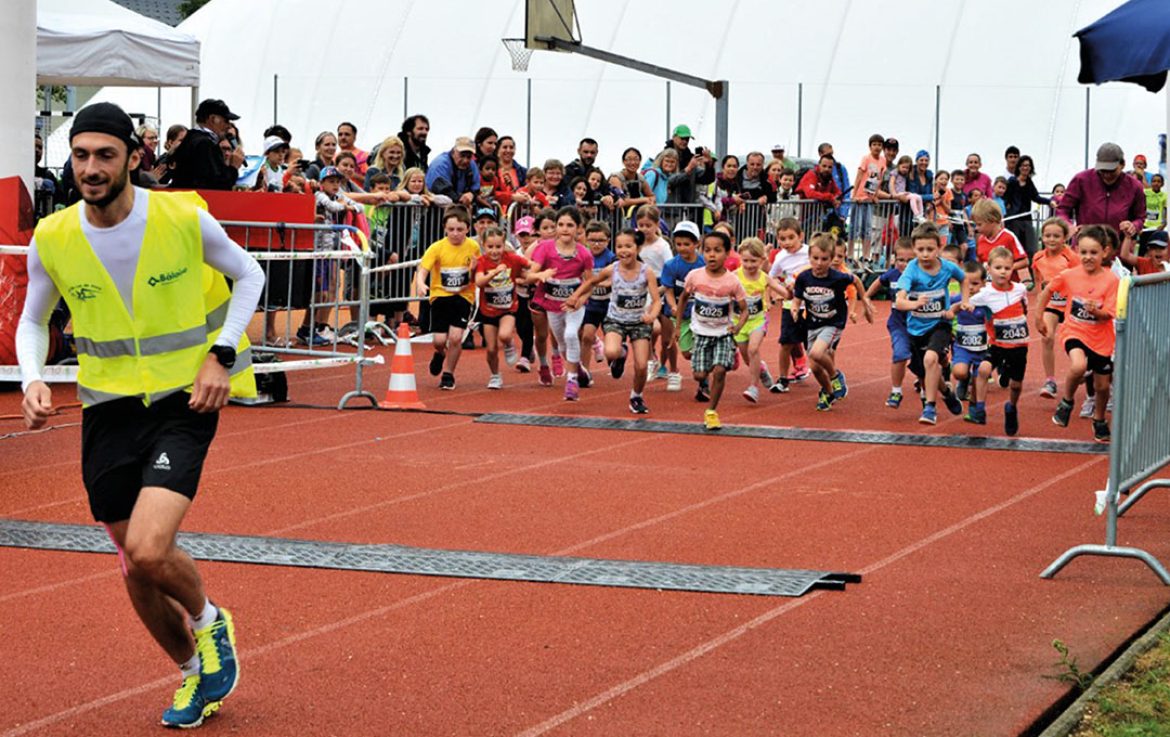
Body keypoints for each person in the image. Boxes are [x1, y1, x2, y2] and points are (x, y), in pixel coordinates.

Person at [18, 102, 263, 728]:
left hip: (184, 399)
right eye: (80, 156)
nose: (91, 168)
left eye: (104, 154)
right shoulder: (54, 236)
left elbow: (250, 274)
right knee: (133, 564)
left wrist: (221, 357)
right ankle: (193, 676)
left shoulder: (181, 215)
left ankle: (212, 623)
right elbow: (32, 319)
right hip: (106, 408)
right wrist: (34, 378)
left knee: (152, 550)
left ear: (133, 157)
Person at [1035, 224, 1119, 443]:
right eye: (1083, 252)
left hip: (1101, 339)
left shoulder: (1111, 280)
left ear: (1105, 252)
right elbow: (1047, 291)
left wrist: (1096, 311)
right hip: (1075, 331)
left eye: (1093, 253)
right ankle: (1067, 401)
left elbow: (1109, 314)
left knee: (1102, 386)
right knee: (1078, 365)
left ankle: (1099, 419)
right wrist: (1038, 316)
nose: (1088, 257)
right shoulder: (1070, 275)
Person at [578, 228, 662, 414]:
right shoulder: (612, 269)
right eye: (620, 246)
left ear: (638, 248)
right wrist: (575, 297)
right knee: (611, 351)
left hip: (639, 322)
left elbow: (656, 300)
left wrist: (652, 315)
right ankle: (621, 354)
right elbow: (591, 282)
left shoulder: (646, 272)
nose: (624, 251)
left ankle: (636, 396)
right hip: (616, 320)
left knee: (641, 366)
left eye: (628, 246)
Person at [675, 230, 749, 431]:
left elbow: (744, 310)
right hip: (701, 332)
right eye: (707, 250)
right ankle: (710, 372)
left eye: (717, 251)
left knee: (719, 371)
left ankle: (712, 411)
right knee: (699, 374)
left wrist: (739, 326)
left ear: (727, 254)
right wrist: (677, 325)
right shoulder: (695, 276)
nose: (712, 255)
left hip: (723, 334)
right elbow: (682, 299)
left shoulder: (732, 281)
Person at [894, 222, 967, 426]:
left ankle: (930, 407)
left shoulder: (947, 267)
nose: (925, 254)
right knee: (926, 371)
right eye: (920, 250)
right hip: (916, 329)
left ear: (939, 248)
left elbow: (964, 279)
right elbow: (899, 301)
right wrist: (913, 303)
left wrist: (963, 302)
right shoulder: (911, 270)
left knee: (931, 359)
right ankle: (946, 392)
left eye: (930, 249)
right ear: (914, 249)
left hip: (940, 323)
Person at [791, 234, 873, 411]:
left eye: (824, 259)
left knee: (817, 353)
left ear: (831, 259)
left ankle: (836, 377)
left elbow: (856, 280)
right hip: (812, 323)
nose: (819, 263)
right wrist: (795, 308)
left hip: (833, 322)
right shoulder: (804, 278)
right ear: (809, 257)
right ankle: (828, 392)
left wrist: (864, 299)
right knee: (815, 367)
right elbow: (797, 297)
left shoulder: (837, 277)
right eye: (815, 258)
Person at [963, 246, 1030, 435]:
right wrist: (958, 308)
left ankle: (1011, 407)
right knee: (984, 369)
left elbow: (1025, 308)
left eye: (1007, 268)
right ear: (989, 269)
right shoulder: (985, 293)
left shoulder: (1020, 289)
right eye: (998, 268)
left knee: (1015, 385)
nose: (1003, 272)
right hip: (996, 344)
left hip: (1018, 346)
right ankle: (979, 408)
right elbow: (966, 301)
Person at [529, 207, 595, 400]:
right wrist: (539, 275)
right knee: (563, 343)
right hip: (552, 304)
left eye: (570, 225)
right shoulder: (545, 249)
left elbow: (590, 282)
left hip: (574, 304)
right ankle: (580, 369)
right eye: (561, 225)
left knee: (571, 333)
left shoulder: (584, 254)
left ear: (578, 228)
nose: (565, 229)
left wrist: (581, 298)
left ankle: (572, 380)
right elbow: (530, 273)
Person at [415, 205, 480, 390]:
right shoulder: (437, 247)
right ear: (445, 228)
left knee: (456, 337)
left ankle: (448, 373)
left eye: (460, 230)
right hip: (440, 296)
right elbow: (424, 269)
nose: (455, 234)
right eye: (451, 229)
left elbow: (478, 270)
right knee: (439, 340)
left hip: (463, 296)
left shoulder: (473, 246)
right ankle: (440, 353)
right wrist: (421, 283)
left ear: (468, 228)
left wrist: (475, 270)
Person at [474, 225, 545, 389]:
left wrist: (536, 273)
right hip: (488, 311)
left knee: (505, 335)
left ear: (504, 245)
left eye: (498, 246)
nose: (494, 251)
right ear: (484, 246)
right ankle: (495, 375)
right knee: (491, 349)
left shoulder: (512, 258)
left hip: (508, 308)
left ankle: (509, 344)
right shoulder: (482, 262)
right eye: (490, 247)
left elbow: (531, 264)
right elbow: (479, 282)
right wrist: (493, 273)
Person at [1029, 217, 1078, 398]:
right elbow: (1038, 282)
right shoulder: (1038, 257)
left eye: (1056, 236)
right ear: (1042, 237)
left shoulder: (1071, 257)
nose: (1051, 239)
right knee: (1047, 337)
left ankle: (1081, 370)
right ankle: (1050, 381)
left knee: (1074, 341)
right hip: (1051, 304)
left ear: (1065, 237)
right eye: (1047, 235)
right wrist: (1039, 310)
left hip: (1070, 305)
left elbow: (1079, 279)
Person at [735, 237, 786, 403]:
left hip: (758, 319)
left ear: (761, 260)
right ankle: (761, 369)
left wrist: (791, 292)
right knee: (747, 356)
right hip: (739, 322)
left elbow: (783, 292)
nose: (749, 265)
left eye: (753, 261)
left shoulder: (764, 277)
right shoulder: (735, 276)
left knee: (753, 349)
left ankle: (753, 387)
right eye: (745, 261)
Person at [1056, 143, 1146, 235]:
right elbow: (1062, 210)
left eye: (1112, 170)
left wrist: (1134, 226)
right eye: (1102, 170)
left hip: (1118, 246)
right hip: (1085, 244)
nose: (1107, 174)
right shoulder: (1081, 180)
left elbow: (1140, 217)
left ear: (1122, 164)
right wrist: (1068, 225)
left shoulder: (1134, 186)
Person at [866, 237, 914, 408]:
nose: (905, 264)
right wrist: (866, 297)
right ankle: (896, 390)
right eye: (901, 260)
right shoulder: (893, 275)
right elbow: (879, 282)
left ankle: (927, 388)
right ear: (894, 259)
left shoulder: (920, 276)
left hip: (919, 324)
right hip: (898, 323)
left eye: (910, 260)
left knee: (922, 361)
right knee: (900, 355)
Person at [768, 217, 813, 392]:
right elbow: (771, 277)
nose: (786, 242)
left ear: (800, 236)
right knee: (786, 343)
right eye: (782, 238)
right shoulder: (780, 257)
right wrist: (779, 292)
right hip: (790, 306)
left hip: (810, 305)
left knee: (814, 346)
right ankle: (782, 379)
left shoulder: (809, 252)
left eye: (790, 237)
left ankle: (828, 376)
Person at [660, 221, 706, 394]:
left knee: (701, 342)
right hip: (676, 311)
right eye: (679, 244)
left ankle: (704, 370)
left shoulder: (703, 263)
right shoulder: (671, 265)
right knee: (677, 347)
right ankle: (675, 370)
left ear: (696, 244)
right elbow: (668, 290)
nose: (682, 248)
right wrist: (673, 306)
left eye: (687, 244)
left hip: (699, 312)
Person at [635, 206, 678, 385]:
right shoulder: (636, 243)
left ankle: (673, 370)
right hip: (645, 287)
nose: (645, 229)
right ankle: (650, 357)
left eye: (648, 225)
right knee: (651, 328)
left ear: (656, 225)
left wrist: (661, 290)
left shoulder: (662, 246)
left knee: (667, 335)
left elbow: (670, 269)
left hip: (662, 286)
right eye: (641, 225)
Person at [168, 99, 245, 190]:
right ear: (212, 119)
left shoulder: (191, 138)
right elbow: (217, 185)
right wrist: (233, 167)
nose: (228, 126)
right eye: (226, 121)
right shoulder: (204, 144)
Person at [950, 262, 992, 420]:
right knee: (959, 372)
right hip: (962, 346)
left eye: (975, 284)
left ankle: (975, 408)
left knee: (979, 379)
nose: (971, 288)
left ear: (983, 284)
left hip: (982, 348)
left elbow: (994, 317)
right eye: (968, 284)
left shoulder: (986, 302)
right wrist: (952, 311)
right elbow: (948, 310)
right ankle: (963, 380)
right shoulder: (958, 299)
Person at [579, 220, 616, 378]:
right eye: (593, 240)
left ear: (608, 240)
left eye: (601, 240)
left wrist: (597, 283)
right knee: (587, 335)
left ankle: (617, 357)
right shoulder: (583, 257)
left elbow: (614, 279)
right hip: (591, 304)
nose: (596, 244)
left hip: (609, 305)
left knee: (612, 346)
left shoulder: (612, 258)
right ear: (586, 239)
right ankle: (584, 372)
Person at [1003, 155, 1049, 256]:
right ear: (1019, 167)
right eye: (1023, 165)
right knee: (1015, 248)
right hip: (1014, 219)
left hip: (1027, 218)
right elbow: (1005, 199)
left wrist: (1050, 202)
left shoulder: (1029, 183)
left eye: (1028, 166)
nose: (1025, 168)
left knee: (1031, 248)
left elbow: (1036, 197)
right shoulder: (1012, 182)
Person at [972, 199, 1028, 282]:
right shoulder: (981, 240)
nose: (976, 228)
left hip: (1008, 287)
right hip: (989, 288)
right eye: (975, 224)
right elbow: (980, 262)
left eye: (979, 224)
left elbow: (1025, 261)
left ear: (992, 221)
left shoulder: (1008, 237)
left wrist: (1005, 268)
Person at [851, 134, 887, 261]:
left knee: (867, 228)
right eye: (874, 144)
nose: (877, 147)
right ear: (870, 146)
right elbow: (859, 175)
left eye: (879, 145)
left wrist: (875, 194)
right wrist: (854, 194)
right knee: (855, 228)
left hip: (870, 198)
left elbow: (879, 179)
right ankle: (850, 255)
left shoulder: (882, 160)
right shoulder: (866, 158)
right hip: (860, 197)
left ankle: (866, 255)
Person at [426, 137, 481, 207]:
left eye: (469, 157)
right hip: (436, 209)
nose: (465, 160)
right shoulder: (440, 164)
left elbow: (476, 186)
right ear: (453, 152)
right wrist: (461, 198)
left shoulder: (472, 164)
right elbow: (441, 189)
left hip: (457, 208)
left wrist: (471, 194)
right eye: (462, 155)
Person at [493, 136, 528, 211]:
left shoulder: (523, 172)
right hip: (496, 213)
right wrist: (511, 197)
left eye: (511, 147)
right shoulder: (491, 170)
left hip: (517, 213)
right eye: (505, 147)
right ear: (497, 150)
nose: (508, 150)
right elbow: (490, 193)